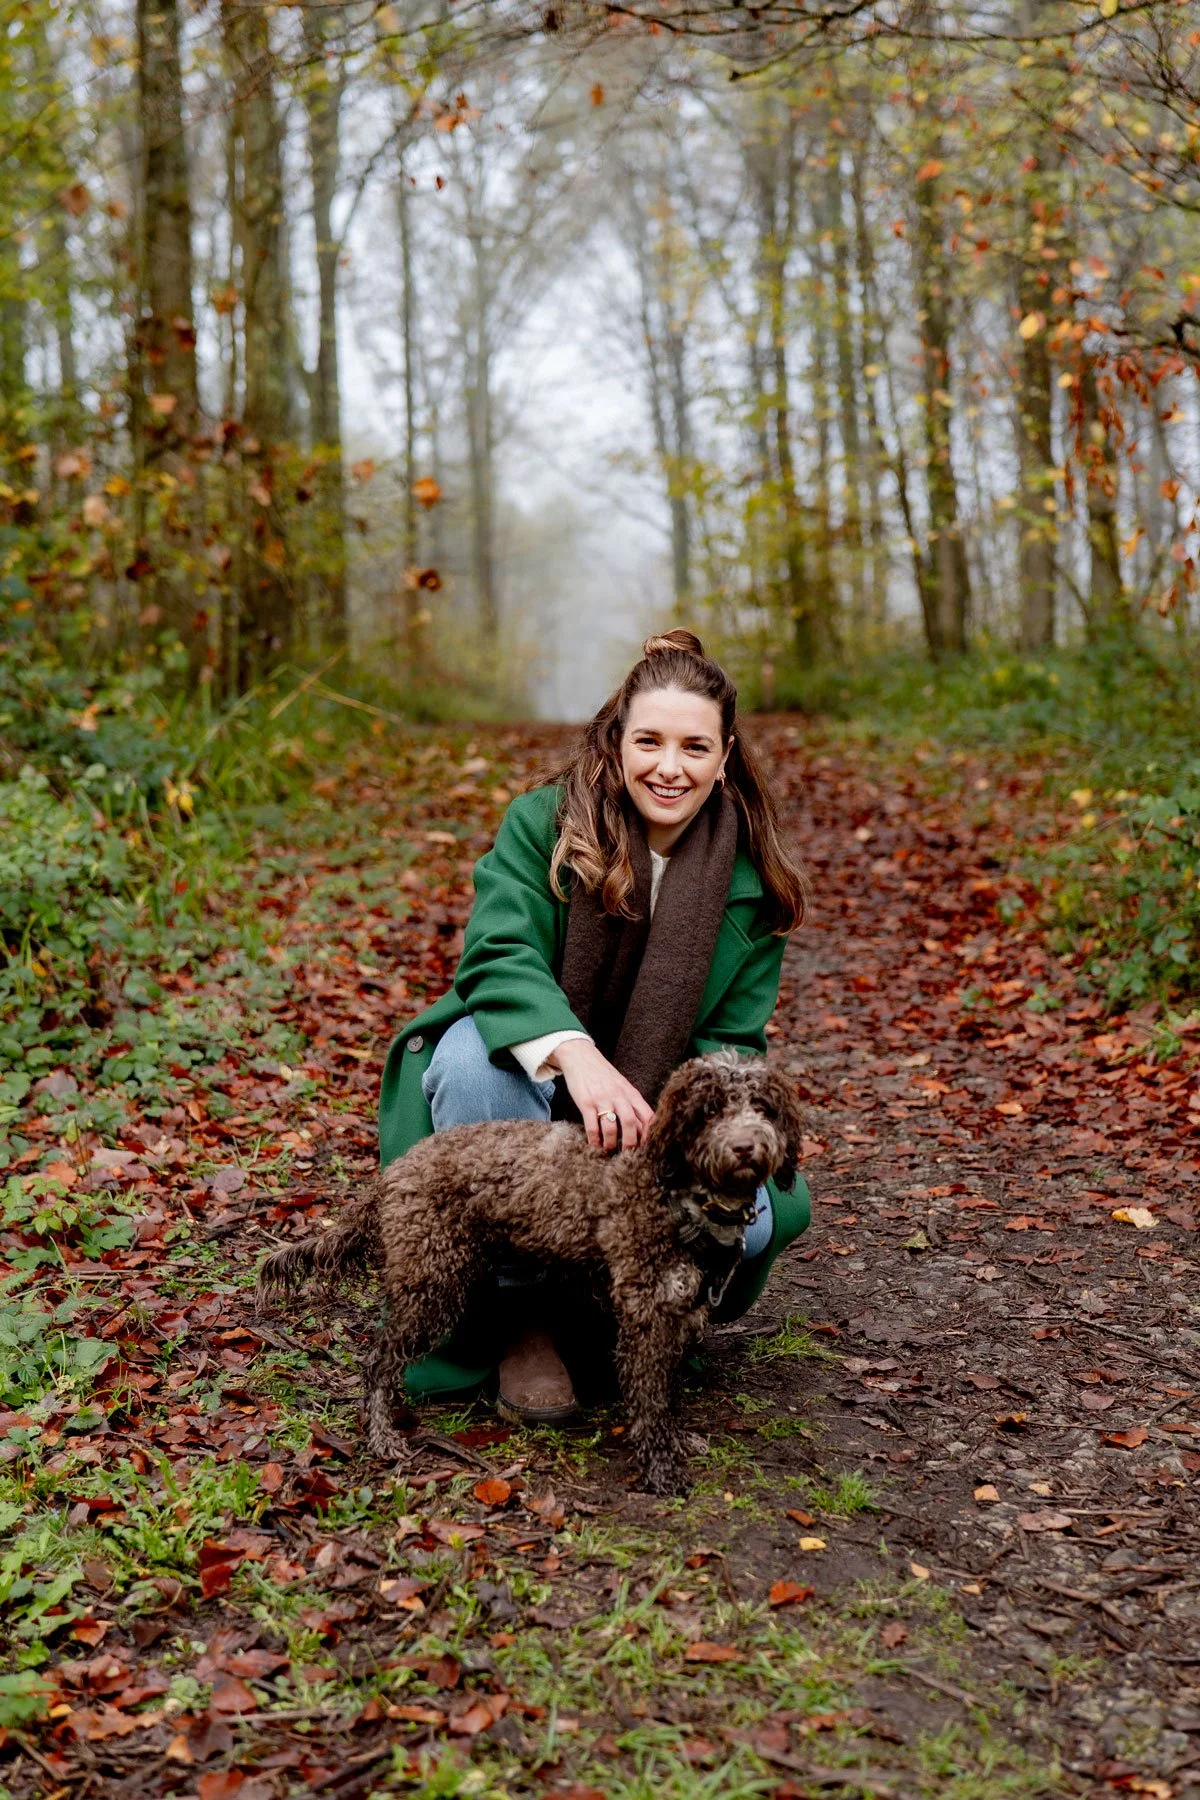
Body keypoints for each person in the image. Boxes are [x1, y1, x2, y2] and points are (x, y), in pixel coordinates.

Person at [378, 629, 811, 1423]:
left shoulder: (751, 876)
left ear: (726, 755)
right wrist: (575, 1055)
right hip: (537, 1079)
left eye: (694, 747)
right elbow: (498, 953)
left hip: (652, 1117)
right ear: (617, 741)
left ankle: (613, 1306)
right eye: (648, 741)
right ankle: (522, 1320)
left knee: (750, 1227)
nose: (669, 768)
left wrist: (680, 1134)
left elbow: (734, 1045)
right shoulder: (544, 822)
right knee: (472, 1062)